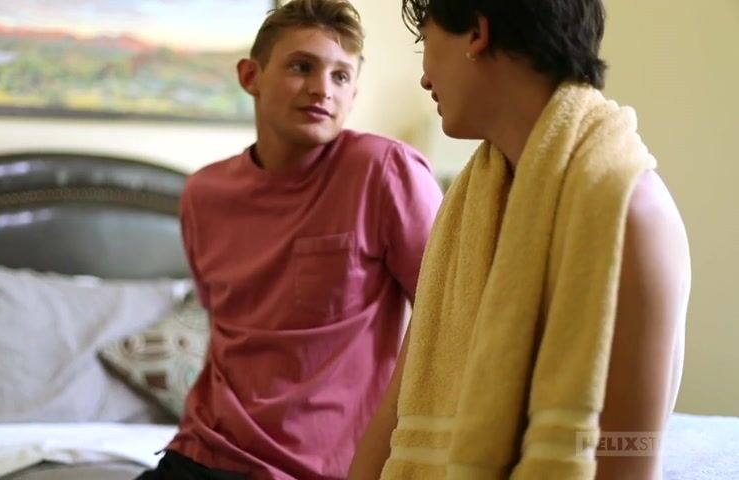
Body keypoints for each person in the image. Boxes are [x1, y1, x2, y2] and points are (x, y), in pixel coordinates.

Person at [349, 1, 690, 479]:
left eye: (425, 40)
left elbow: (628, 457)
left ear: (477, 33)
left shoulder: (629, 212)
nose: (424, 78)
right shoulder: (466, 213)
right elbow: (394, 415)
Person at [137, 1, 444, 479]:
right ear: (250, 76)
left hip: (318, 470)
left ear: (353, 94)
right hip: (201, 452)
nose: (323, 89)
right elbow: (228, 332)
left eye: (341, 76)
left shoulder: (383, 172)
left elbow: (450, 317)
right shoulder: (203, 194)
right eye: (302, 67)